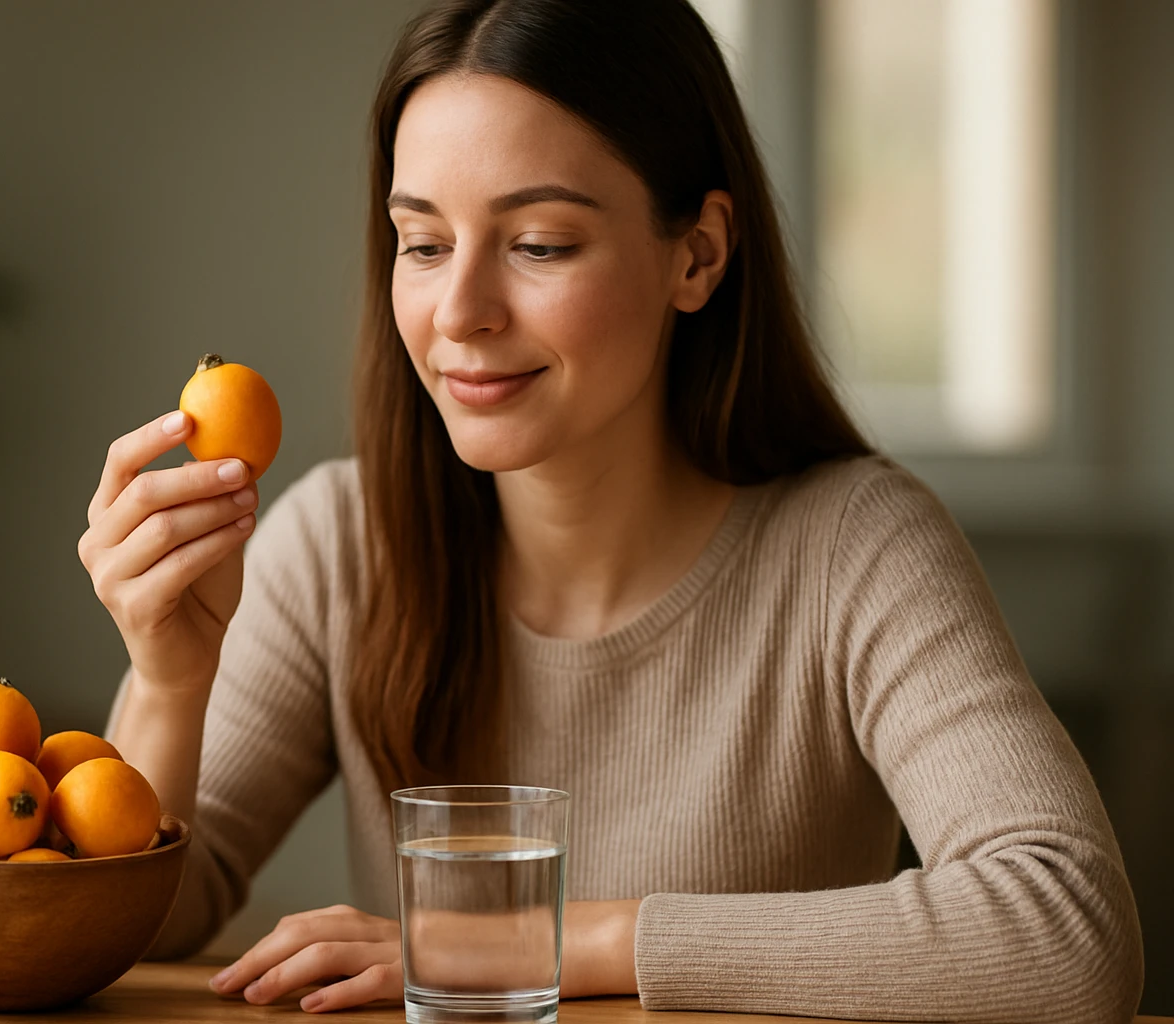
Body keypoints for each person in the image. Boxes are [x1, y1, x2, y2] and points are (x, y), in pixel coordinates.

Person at [76, 0, 1143, 1018]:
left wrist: (545, 941)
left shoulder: (857, 549)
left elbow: (1068, 929)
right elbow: (128, 928)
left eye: (539, 243)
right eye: (424, 242)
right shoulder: (338, 542)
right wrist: (172, 681)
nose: (461, 314)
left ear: (699, 253)